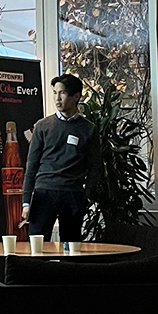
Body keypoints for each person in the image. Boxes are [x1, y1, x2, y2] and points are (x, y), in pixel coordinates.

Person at [22, 73, 102, 242]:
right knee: (36, 247)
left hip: (73, 194)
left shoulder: (88, 129)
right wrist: (26, 202)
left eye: (62, 93)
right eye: (54, 93)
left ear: (76, 97)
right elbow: (31, 166)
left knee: (71, 247)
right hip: (44, 193)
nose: (57, 98)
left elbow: (95, 166)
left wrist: (87, 195)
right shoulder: (42, 126)